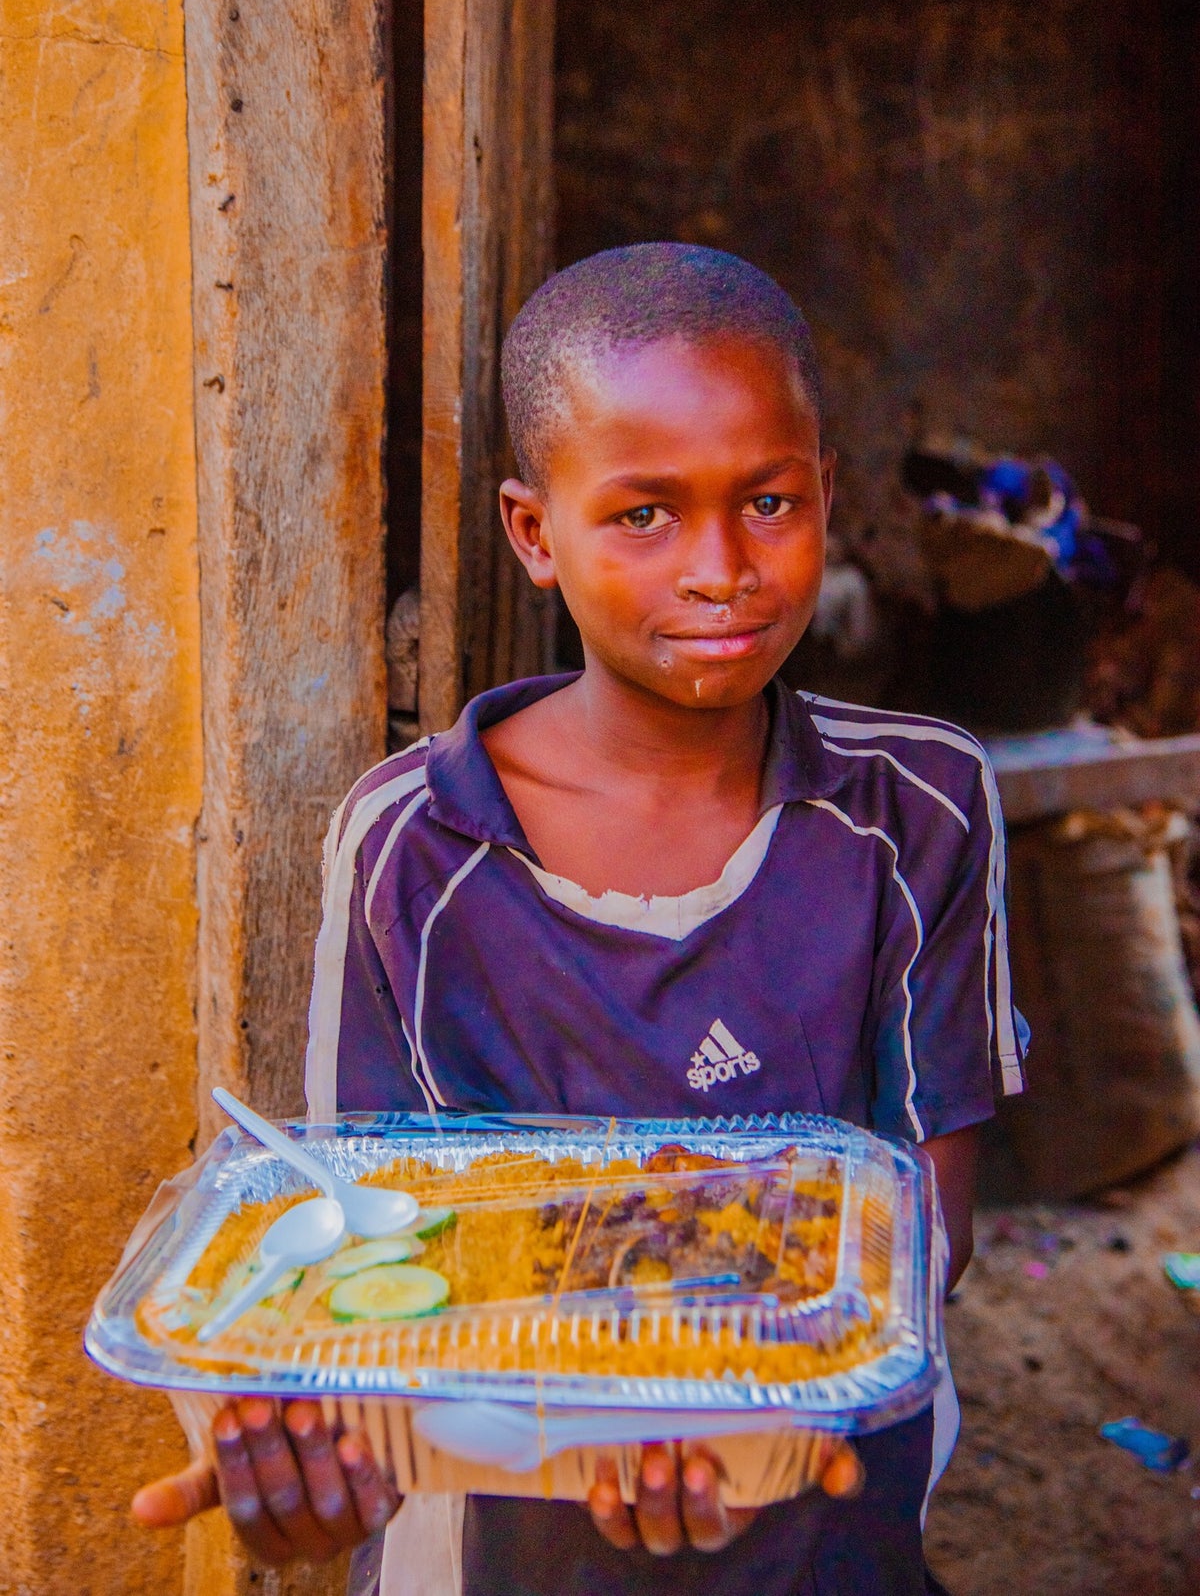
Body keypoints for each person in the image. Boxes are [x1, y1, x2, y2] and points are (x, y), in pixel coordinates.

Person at [133, 244, 1025, 1593]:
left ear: (825, 492)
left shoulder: (921, 807)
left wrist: (741, 1413)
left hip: (819, 1520)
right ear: (535, 533)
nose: (721, 568)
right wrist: (320, 1474)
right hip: (501, 1549)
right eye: (644, 516)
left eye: (769, 500)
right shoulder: (412, 847)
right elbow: (363, 1237)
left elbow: (922, 1233)